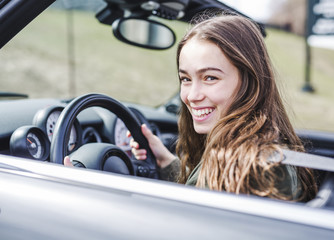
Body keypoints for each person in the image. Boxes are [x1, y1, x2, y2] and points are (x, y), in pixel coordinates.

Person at [65, 13, 317, 201]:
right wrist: (167, 163)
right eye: (186, 79)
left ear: (249, 82)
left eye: (210, 78)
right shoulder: (264, 150)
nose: (192, 96)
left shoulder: (241, 168)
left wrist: (86, 196)